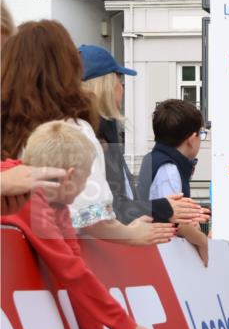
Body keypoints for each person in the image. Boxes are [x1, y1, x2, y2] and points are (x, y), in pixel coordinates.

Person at [1, 121, 173, 329]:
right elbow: (72, 273)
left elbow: (78, 273)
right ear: (69, 177)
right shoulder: (34, 204)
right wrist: (128, 328)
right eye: (85, 181)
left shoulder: (55, 207)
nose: (84, 191)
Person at [1, 20, 174, 247]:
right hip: (50, 261)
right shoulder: (71, 130)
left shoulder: (8, 126)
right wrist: (131, 234)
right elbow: (90, 214)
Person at [79, 45, 206, 227]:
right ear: (107, 86)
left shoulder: (99, 132)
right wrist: (165, 208)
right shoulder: (90, 135)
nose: (122, 89)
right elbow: (101, 212)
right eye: (120, 82)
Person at [137, 100, 210, 266]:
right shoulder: (169, 168)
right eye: (201, 134)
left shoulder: (156, 160)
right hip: (164, 257)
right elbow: (175, 220)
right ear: (192, 139)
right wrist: (201, 239)